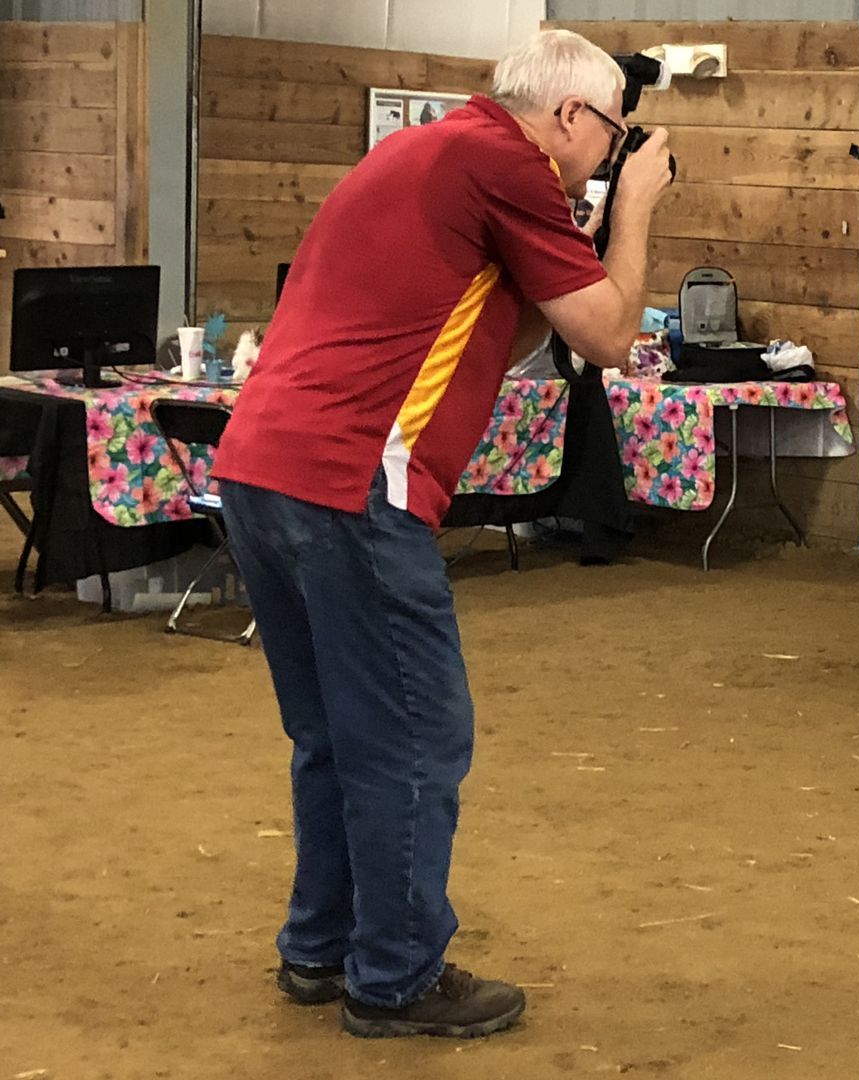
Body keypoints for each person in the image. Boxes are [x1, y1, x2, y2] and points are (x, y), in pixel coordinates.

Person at [209, 29, 673, 1037]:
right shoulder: (509, 164)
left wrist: (580, 238)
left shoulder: (434, 149)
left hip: (262, 465)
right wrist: (633, 211)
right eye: (612, 129)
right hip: (352, 479)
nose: (612, 147)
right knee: (416, 734)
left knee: (334, 731)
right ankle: (397, 977)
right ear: (568, 117)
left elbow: (510, 334)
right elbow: (607, 334)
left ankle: (322, 948)